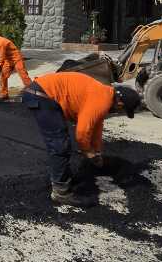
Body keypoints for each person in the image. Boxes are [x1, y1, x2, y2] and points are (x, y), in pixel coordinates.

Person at [22, 72, 141, 207]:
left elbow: (96, 126)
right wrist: (88, 152)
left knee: (62, 140)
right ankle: (60, 193)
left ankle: (64, 179)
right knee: (59, 144)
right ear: (119, 103)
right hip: (41, 96)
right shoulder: (101, 100)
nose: (119, 111)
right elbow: (82, 132)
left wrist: (97, 152)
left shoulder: (105, 95)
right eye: (122, 109)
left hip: (44, 94)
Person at [0, 32, 32, 100]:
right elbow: (0, 55)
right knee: (3, 77)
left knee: (24, 76)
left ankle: (33, 92)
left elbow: (1, 56)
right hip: (8, 60)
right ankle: (4, 95)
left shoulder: (0, 42)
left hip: (16, 58)